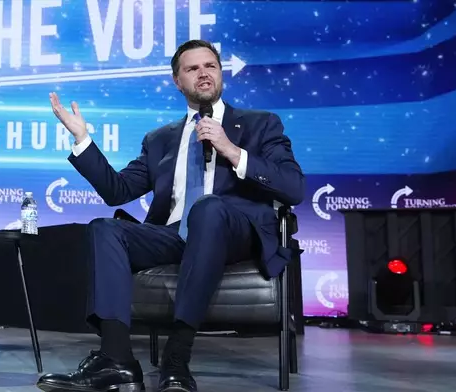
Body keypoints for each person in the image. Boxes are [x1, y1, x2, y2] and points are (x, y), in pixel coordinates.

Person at [36, 39, 305, 392]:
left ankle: (176, 357)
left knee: (208, 210)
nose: (203, 73)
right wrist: (83, 140)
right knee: (105, 228)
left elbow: (293, 188)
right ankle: (117, 359)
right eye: (192, 69)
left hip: (235, 231)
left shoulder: (260, 124)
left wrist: (230, 149)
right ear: (178, 82)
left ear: (221, 73)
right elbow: (117, 191)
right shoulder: (160, 139)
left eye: (210, 66)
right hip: (178, 234)